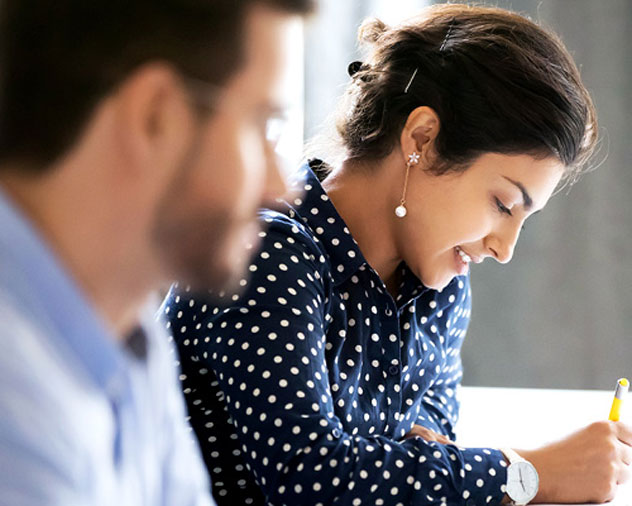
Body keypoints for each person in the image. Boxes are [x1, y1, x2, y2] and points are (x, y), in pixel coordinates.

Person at [164, 4, 631, 505]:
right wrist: (528, 473)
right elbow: (311, 480)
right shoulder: (264, 253)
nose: (504, 248)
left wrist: (434, 469)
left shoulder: (439, 283)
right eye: (502, 204)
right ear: (422, 139)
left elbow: (429, 450)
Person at [0, 0, 313, 505]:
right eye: (259, 125)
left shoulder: (133, 331)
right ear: (155, 115)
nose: (282, 188)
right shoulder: (13, 403)